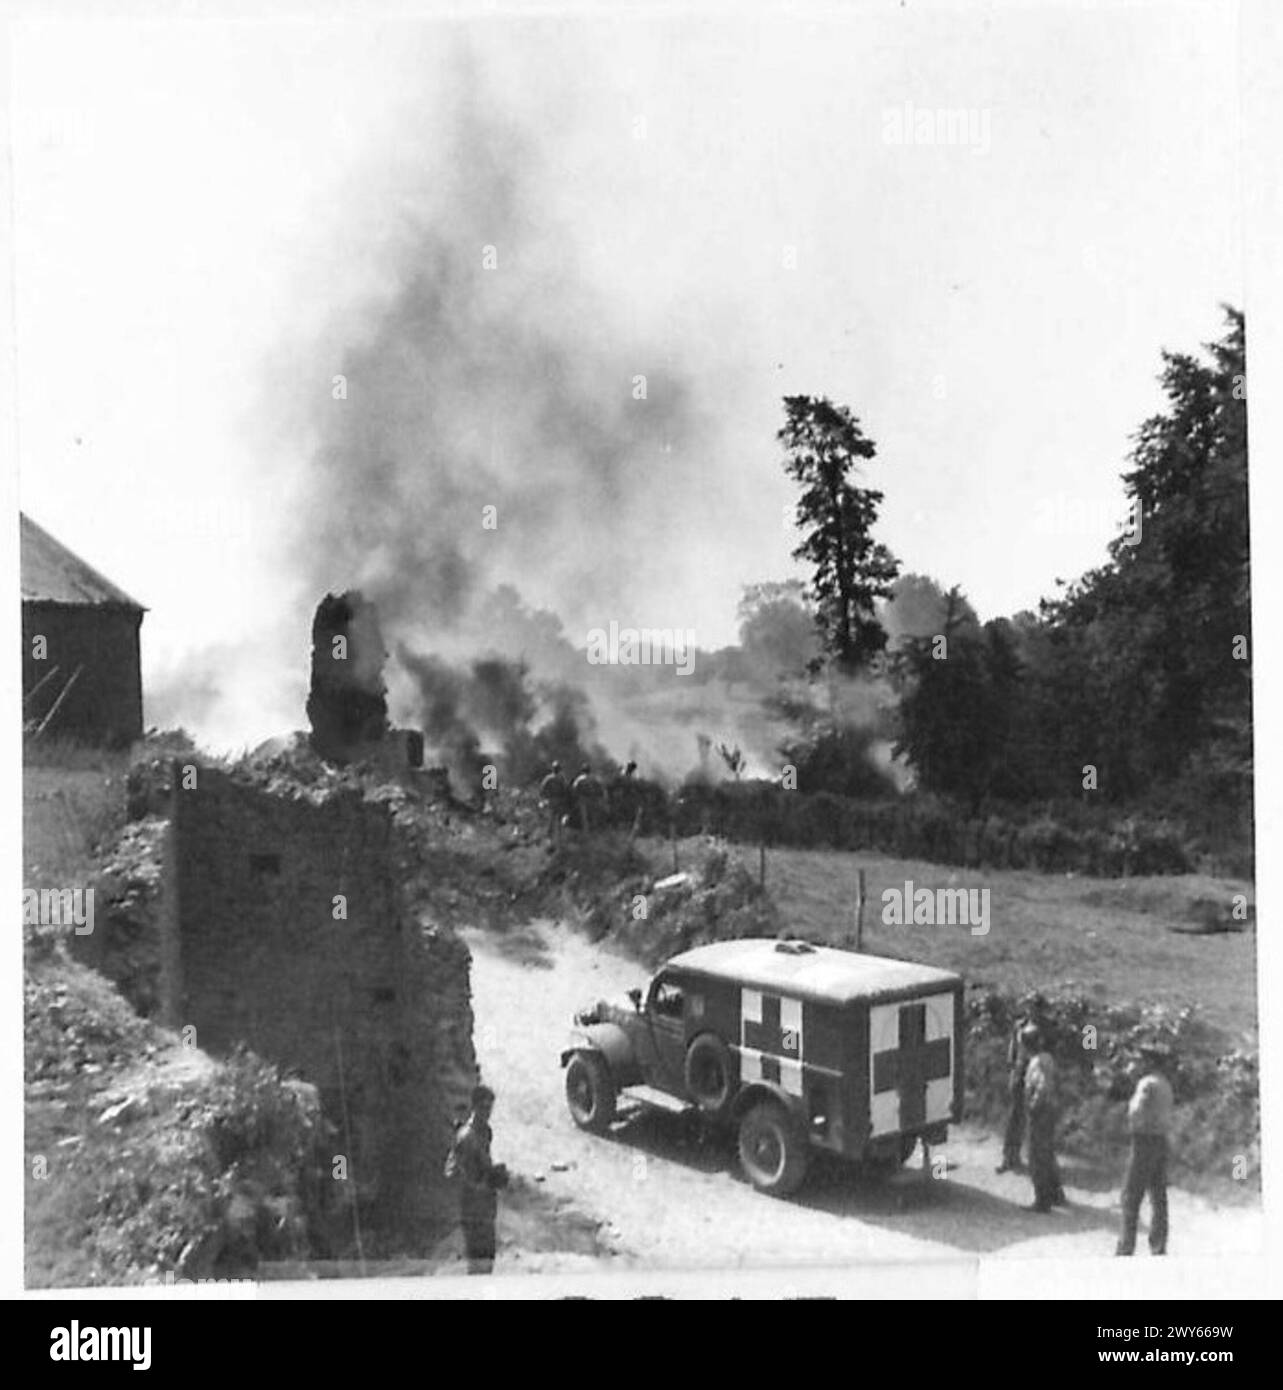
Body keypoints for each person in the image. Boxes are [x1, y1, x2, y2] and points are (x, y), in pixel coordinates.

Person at [444, 1084, 509, 1274]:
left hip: (486, 1206)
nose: (487, 1113)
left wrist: (495, 1175)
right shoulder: (466, 1138)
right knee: (477, 1261)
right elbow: (458, 1174)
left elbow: (483, 1166)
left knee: (487, 1258)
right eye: (483, 1108)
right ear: (474, 1107)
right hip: (472, 1207)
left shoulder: (485, 1132)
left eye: (489, 1108)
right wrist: (488, 1180)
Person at [1116, 1045, 1173, 1256]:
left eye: (1142, 1060)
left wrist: (1131, 1124)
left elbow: (1136, 1111)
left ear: (1149, 1062)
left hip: (1144, 1141)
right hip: (1161, 1141)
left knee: (1130, 1195)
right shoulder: (1165, 1084)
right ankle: (1159, 1246)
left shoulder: (1147, 1083)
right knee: (1159, 1196)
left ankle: (1125, 1247)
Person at [1023, 1026, 1066, 1212]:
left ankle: (1042, 1199)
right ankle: (1057, 1193)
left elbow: (1042, 1087)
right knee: (1047, 1152)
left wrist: (1033, 1104)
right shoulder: (1048, 1058)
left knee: (1036, 1155)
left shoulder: (1036, 1063)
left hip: (1041, 1112)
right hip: (1051, 1109)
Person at [997, 1013, 1033, 1173]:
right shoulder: (1020, 1026)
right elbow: (1013, 1050)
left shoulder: (1043, 1029)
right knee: (1014, 1117)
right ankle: (1009, 1156)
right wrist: (1012, 1067)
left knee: (1032, 1119)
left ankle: (1033, 1158)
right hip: (1018, 1075)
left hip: (1033, 1075)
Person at [537, 762, 569, 846]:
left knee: (550, 821)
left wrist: (544, 799)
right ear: (559, 769)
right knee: (559, 821)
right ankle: (560, 840)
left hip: (550, 801)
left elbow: (542, 789)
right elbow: (566, 790)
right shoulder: (562, 778)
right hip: (560, 802)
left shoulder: (548, 778)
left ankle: (550, 840)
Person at [571, 763, 605, 833]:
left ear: (582, 770)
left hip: (583, 800)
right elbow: (601, 790)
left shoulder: (579, 779)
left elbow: (574, 789)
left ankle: (585, 833)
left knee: (584, 818)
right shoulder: (594, 779)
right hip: (593, 800)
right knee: (593, 817)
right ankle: (595, 832)